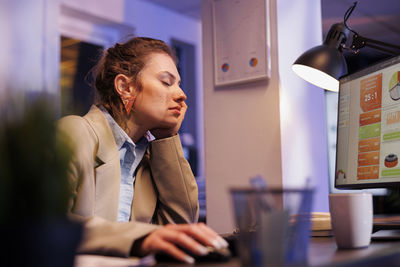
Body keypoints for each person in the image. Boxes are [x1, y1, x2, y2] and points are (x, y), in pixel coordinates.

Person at [57, 37, 227, 264]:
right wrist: (139, 238)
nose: (181, 95)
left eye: (179, 84)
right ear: (125, 87)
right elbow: (44, 224)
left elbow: (179, 230)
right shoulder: (74, 132)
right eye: (167, 82)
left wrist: (167, 138)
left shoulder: (149, 156)